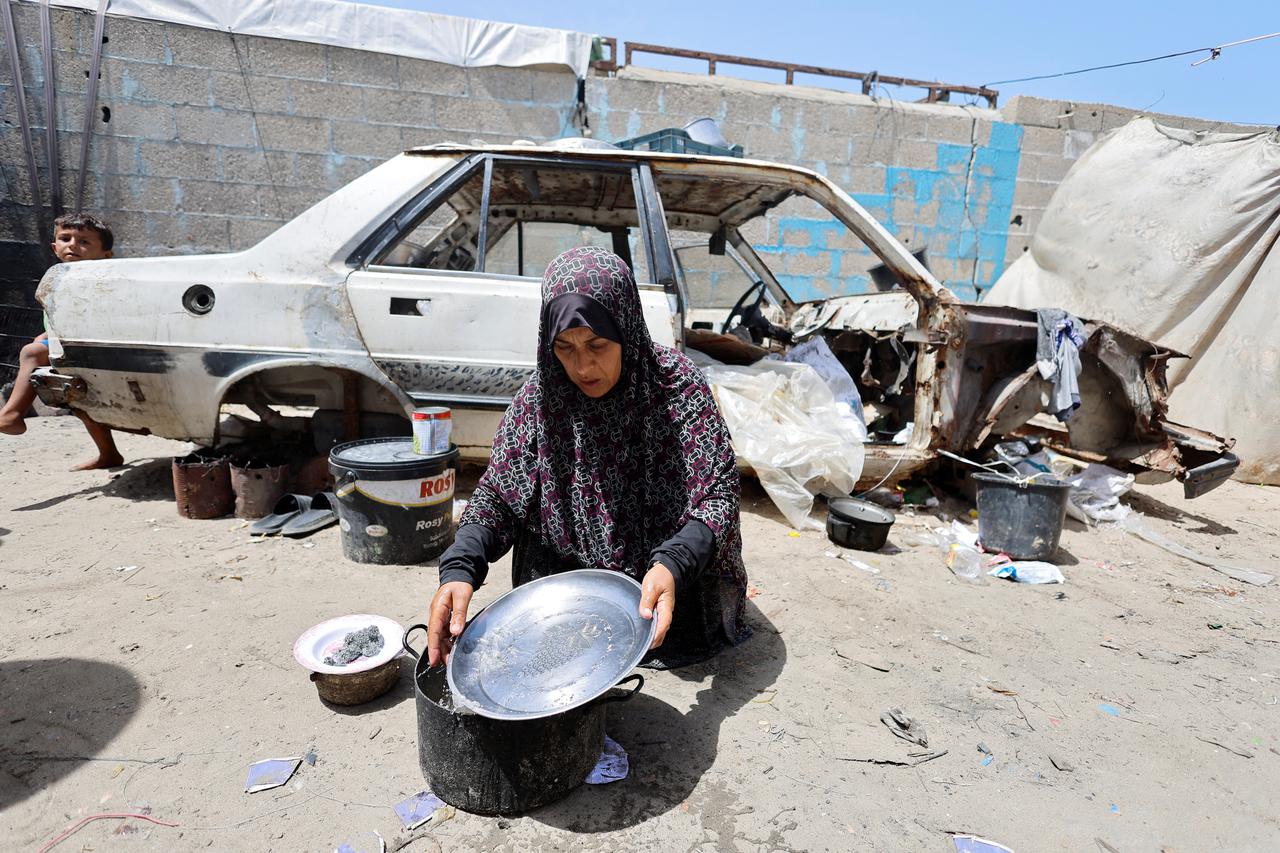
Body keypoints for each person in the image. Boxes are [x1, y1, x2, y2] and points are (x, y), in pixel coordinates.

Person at [427, 246, 750, 670]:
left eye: (597, 344)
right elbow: (499, 496)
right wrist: (459, 567)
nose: (582, 366)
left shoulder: (677, 390)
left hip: (666, 584)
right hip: (571, 589)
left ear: (627, 328)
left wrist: (674, 563)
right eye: (564, 347)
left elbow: (718, 496)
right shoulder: (542, 399)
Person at [0, 213, 124, 470]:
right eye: (65, 239)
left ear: (106, 255)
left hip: (92, 346)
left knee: (32, 353)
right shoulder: (59, 276)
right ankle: (109, 454)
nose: (72, 245)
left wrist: (46, 341)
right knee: (81, 404)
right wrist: (48, 335)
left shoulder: (97, 280)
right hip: (67, 345)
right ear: (55, 247)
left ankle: (12, 414)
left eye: (84, 241)